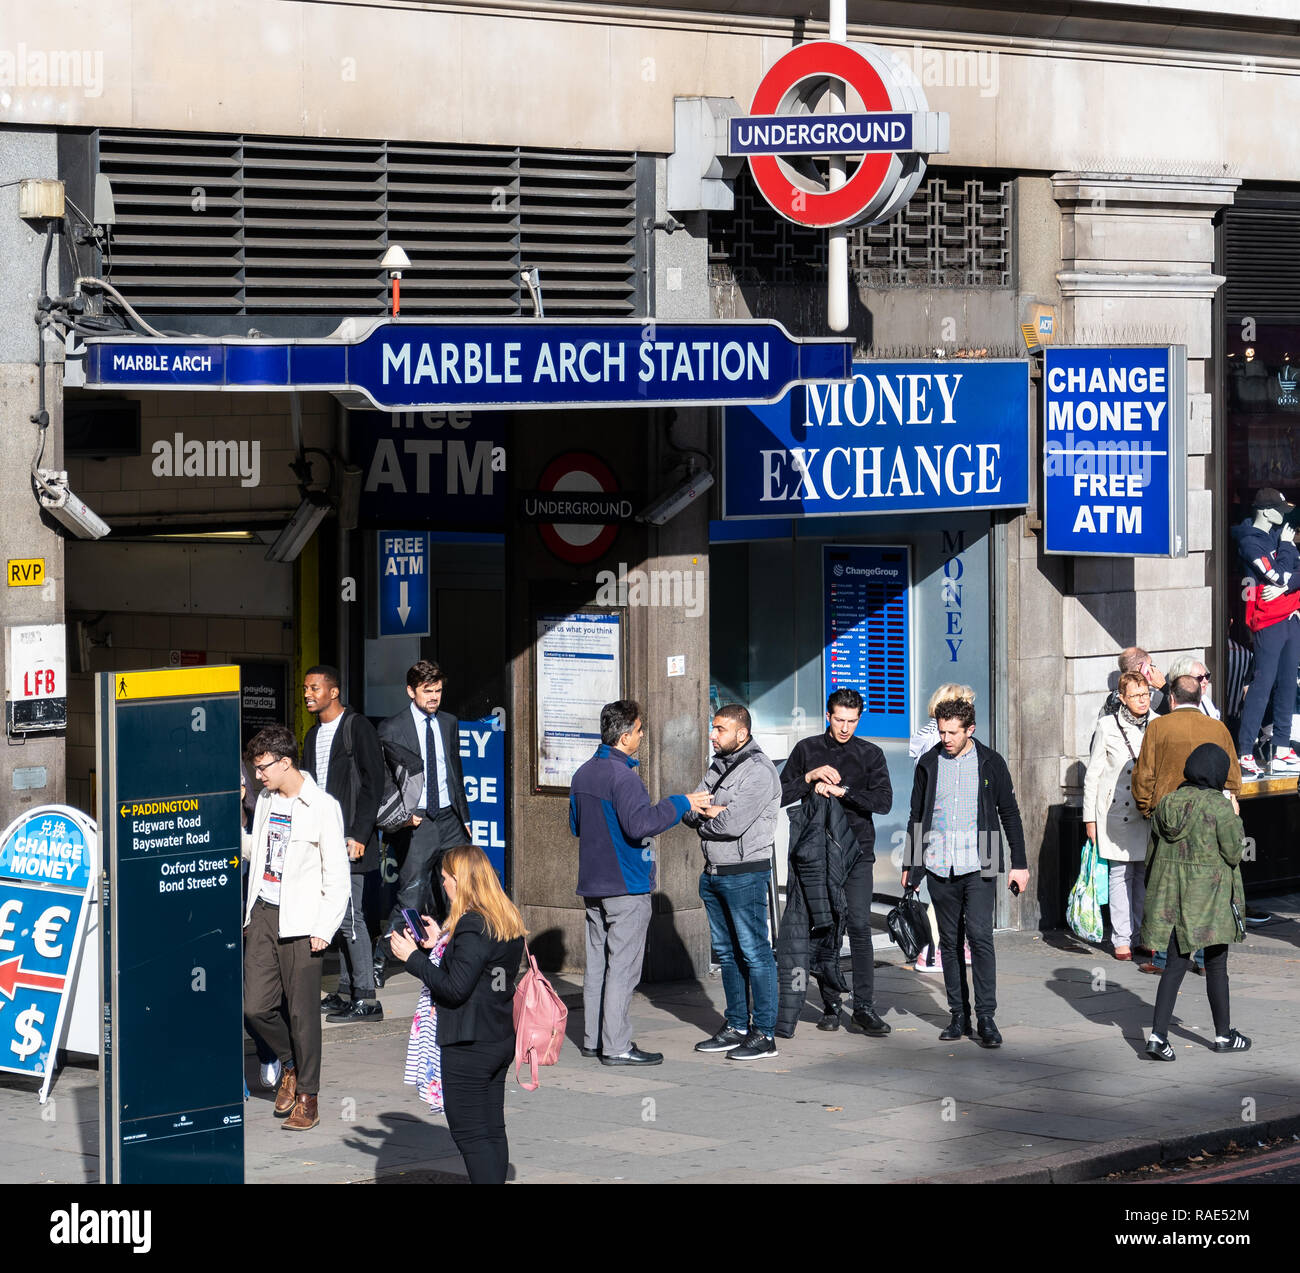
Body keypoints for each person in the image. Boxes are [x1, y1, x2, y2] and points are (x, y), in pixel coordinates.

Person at [569, 700, 710, 1065]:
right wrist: (680, 803)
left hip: (593, 886)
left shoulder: (583, 773)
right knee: (623, 969)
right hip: (626, 886)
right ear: (626, 735)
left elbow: (576, 826)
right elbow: (641, 825)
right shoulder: (625, 778)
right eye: (640, 729)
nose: (643, 735)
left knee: (598, 965)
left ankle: (592, 1039)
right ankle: (616, 1046)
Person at [390, 845, 526, 1184]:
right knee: (492, 1129)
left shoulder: (472, 925)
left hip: (469, 1044)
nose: (444, 884)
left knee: (471, 1135)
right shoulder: (504, 918)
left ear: (461, 881)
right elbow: (479, 970)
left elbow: (454, 988)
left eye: (447, 878)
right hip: (497, 1037)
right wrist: (440, 943)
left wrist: (413, 959)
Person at [902, 698, 1029, 1048]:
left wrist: (1019, 864)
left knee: (980, 936)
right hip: (939, 863)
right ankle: (958, 1014)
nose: (946, 738)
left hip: (980, 860)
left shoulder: (991, 762)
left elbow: (1011, 814)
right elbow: (916, 816)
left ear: (970, 730)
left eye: (952, 732)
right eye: (941, 731)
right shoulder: (929, 764)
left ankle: (986, 1016)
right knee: (950, 942)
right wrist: (911, 867)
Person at [243, 724, 351, 1131]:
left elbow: (337, 874)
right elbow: (262, 852)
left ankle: (308, 1095)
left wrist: (325, 927)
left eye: (263, 767)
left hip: (304, 922)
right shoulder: (268, 800)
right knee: (254, 1007)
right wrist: (234, 832)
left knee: (304, 1014)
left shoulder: (322, 806)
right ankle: (289, 1062)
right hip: (265, 913)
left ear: (285, 762)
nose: (259, 776)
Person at [780, 687, 892, 1034]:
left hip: (857, 851)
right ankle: (830, 1005)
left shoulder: (870, 753)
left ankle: (864, 1006)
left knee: (858, 925)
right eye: (839, 720)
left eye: (852, 721)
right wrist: (810, 778)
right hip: (817, 854)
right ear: (828, 716)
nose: (845, 728)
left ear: (860, 718)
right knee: (825, 927)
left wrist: (844, 792)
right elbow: (780, 794)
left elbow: (884, 802)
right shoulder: (807, 749)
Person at [685, 704, 783, 1061]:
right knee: (727, 954)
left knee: (755, 952)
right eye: (713, 728)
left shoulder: (758, 772)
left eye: (720, 729)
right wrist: (708, 813)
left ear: (741, 734)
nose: (713, 735)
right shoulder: (718, 766)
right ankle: (737, 1024)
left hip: (745, 874)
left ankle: (765, 1034)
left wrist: (710, 815)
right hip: (713, 873)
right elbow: (688, 809)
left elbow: (732, 825)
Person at [1141, 744, 1251, 1060]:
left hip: (1173, 896)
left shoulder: (1167, 803)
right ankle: (1223, 1035)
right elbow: (1234, 852)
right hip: (1210, 899)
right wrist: (1235, 817)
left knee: (1174, 964)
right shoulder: (1219, 808)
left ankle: (1158, 1037)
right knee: (1216, 965)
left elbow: (1152, 851)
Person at [376, 660, 472, 985]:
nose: (434, 697)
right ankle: (381, 955)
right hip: (417, 823)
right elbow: (385, 781)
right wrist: (402, 815)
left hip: (449, 817)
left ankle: (456, 955)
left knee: (462, 891)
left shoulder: (448, 722)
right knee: (412, 895)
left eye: (439, 691)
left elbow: (453, 771)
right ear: (410, 690)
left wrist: (466, 818)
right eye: (427, 691)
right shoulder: (392, 728)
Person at [302, 665, 387, 1022]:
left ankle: (367, 999)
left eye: (315, 688)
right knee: (337, 918)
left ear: (333, 692)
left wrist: (360, 834)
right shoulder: (311, 736)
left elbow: (374, 783)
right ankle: (346, 991)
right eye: (305, 688)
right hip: (322, 841)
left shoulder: (356, 727)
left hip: (350, 839)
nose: (308, 694)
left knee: (352, 917)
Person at [1082, 671, 1151, 960]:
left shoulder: (1158, 723)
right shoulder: (1107, 725)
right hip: (1114, 812)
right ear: (1122, 697)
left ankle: (1143, 934)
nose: (1142, 700)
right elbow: (1093, 775)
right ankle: (1122, 937)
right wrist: (1089, 818)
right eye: (1135, 695)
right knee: (1121, 874)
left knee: (1143, 874)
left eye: (1146, 694)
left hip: (1146, 811)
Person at [908, 683, 976, 973]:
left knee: (948, 892)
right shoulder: (933, 741)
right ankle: (932, 951)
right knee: (942, 891)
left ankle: (945, 946)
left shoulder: (925, 735)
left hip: (948, 826)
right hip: (941, 825)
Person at [1232, 488, 1300, 777]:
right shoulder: (1251, 542)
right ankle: (1244, 752)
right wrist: (1286, 552)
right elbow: (1277, 574)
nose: (1284, 515)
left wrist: (1286, 585)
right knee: (1262, 686)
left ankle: (1281, 749)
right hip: (1267, 620)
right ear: (1265, 510)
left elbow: (1291, 574)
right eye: (1279, 510)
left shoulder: (1276, 538)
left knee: (1287, 683)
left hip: (1290, 616)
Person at [1132, 675, 1242, 819]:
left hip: (1168, 817)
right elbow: (1233, 781)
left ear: (1171, 698)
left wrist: (1150, 811)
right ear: (1200, 699)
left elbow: (1144, 777)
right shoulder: (1219, 728)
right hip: (1209, 816)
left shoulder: (1157, 726)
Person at [1099, 647, 1170, 719]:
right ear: (1139, 668)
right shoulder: (1154, 698)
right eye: (1150, 665)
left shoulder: (1112, 697)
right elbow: (1179, 709)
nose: (1153, 669)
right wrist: (1163, 686)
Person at [1165, 655, 1220, 719]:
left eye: (1207, 676)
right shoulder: (1179, 705)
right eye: (1200, 678)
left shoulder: (1205, 699)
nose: (1205, 681)